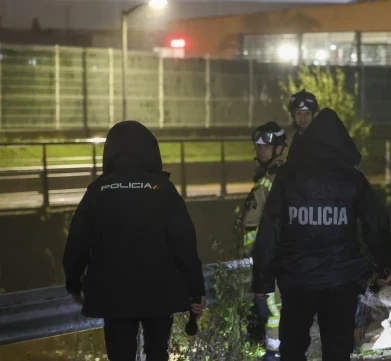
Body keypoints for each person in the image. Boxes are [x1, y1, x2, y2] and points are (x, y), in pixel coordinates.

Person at [251, 108, 391, 361]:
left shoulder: (288, 176)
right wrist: (385, 265)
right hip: (341, 281)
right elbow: (377, 221)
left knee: (293, 347)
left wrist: (262, 281)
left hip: (297, 279)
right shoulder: (352, 177)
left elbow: (269, 230)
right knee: (338, 348)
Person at [62, 120, 207, 361]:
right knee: (157, 352)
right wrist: (196, 291)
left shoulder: (97, 190)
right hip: (159, 293)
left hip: (113, 295)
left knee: (120, 355)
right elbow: (184, 245)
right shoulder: (163, 188)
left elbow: (77, 243)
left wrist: (74, 284)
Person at [233, 121, 287, 361]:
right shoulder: (266, 175)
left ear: (278, 148)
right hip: (260, 255)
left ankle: (275, 352)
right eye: (258, 146)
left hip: (271, 254)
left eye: (266, 146)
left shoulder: (278, 176)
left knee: (273, 306)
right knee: (265, 304)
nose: (261, 150)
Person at [286, 89, 319, 157]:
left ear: (313, 115)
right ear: (293, 116)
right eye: (299, 113)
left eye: (307, 113)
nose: (303, 119)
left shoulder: (323, 142)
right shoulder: (286, 142)